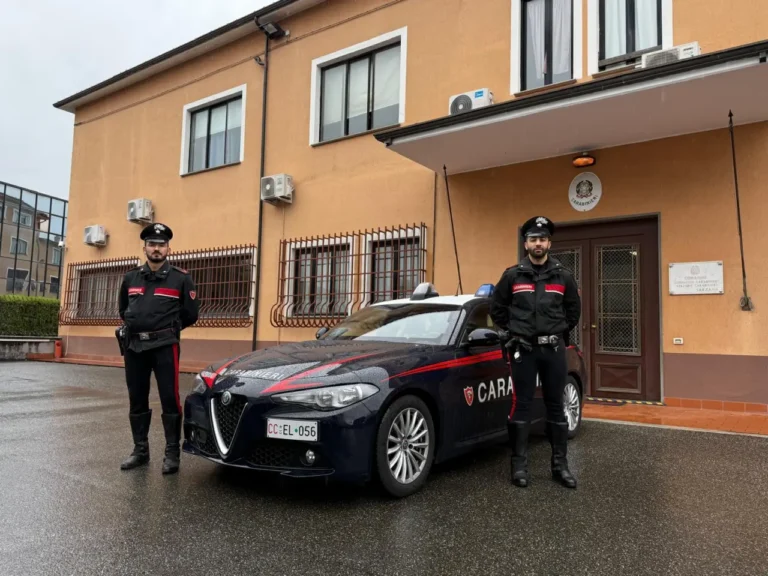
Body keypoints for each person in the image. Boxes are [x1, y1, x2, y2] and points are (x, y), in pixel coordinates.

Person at [490, 216, 581, 489]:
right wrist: (510, 333)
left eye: (542, 239)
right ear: (526, 243)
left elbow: (573, 311)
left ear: (549, 243)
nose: (538, 243)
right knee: (522, 405)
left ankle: (560, 467)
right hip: (524, 350)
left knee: (556, 404)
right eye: (533, 239)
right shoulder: (512, 276)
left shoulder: (563, 276)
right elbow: (497, 309)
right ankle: (519, 467)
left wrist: (559, 332)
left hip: (553, 349)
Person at [117, 223, 199, 474]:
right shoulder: (131, 277)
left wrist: (167, 330)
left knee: (169, 399)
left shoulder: (181, 278)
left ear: (168, 249)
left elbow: (190, 314)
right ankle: (140, 450)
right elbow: (122, 309)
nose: (156, 248)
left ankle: (172, 453)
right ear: (144, 248)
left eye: (161, 245)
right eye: (152, 244)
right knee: (137, 398)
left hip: (165, 346)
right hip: (135, 347)